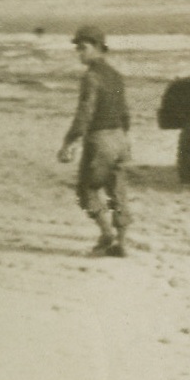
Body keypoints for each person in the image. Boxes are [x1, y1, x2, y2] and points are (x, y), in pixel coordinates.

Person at [57, 25, 132, 256]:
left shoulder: (91, 77)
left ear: (98, 48)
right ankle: (122, 242)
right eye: (78, 48)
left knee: (86, 189)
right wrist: (121, 137)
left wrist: (70, 141)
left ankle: (106, 233)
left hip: (100, 140)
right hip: (120, 139)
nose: (79, 53)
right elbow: (125, 113)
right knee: (117, 190)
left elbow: (85, 113)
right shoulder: (116, 76)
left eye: (83, 48)